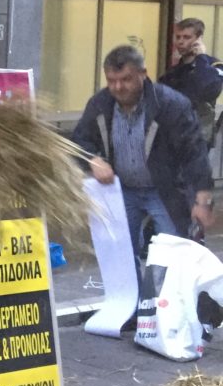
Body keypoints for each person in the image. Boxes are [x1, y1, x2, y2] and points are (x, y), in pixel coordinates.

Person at [73, 45, 214, 261]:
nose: (118, 87)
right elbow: (79, 140)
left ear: (143, 74)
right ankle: (132, 295)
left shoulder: (171, 105)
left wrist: (202, 200)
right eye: (111, 80)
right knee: (121, 255)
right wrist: (93, 159)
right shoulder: (100, 104)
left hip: (165, 190)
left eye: (126, 79)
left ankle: (166, 295)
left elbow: (194, 153)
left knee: (172, 255)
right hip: (121, 190)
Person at [158, 18, 223, 147]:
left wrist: (201, 58)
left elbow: (206, 89)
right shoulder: (175, 70)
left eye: (187, 37)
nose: (180, 42)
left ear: (198, 39)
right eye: (178, 37)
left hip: (198, 137)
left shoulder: (214, 65)